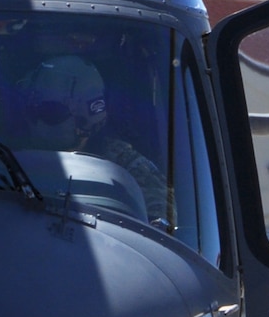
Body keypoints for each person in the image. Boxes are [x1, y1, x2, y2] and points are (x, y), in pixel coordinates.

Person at [22, 55, 168, 221]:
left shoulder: (124, 164)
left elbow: (160, 216)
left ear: (88, 117)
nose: (36, 120)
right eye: (32, 109)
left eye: (50, 112)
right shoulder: (8, 156)